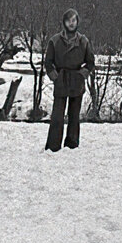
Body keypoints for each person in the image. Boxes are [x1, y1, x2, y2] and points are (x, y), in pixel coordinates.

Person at [43, 8, 95, 151]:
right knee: (57, 116)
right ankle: (53, 146)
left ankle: (72, 145)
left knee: (74, 115)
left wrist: (82, 74)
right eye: (68, 20)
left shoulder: (83, 41)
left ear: (77, 22)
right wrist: (55, 77)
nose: (71, 23)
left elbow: (90, 62)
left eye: (74, 20)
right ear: (64, 22)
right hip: (61, 80)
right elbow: (48, 62)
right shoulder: (54, 41)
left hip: (76, 81)